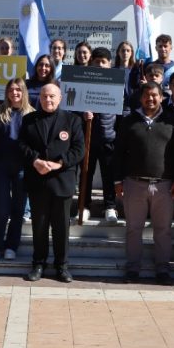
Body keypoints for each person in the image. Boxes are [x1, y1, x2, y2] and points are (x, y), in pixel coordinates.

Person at [114, 81, 174, 284]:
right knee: (134, 229)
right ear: (140, 97)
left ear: (162, 97)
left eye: (154, 95)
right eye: (146, 95)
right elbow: (118, 153)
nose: (150, 99)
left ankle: (162, 270)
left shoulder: (172, 121)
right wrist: (118, 180)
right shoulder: (129, 121)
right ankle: (133, 268)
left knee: (163, 230)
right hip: (134, 184)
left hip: (164, 185)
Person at [20, 84, 85, 283]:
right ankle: (38, 264)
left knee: (61, 228)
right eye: (44, 96)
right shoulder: (29, 120)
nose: (48, 100)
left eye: (52, 96)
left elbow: (79, 149)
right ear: (39, 98)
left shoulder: (72, 120)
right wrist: (35, 161)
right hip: (37, 181)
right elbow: (22, 145)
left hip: (62, 181)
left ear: (60, 98)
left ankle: (61, 266)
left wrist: (60, 164)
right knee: (39, 226)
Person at [0, 78, 33, 261]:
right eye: (11, 90)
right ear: (6, 92)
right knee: (1, 208)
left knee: (18, 210)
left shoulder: (31, 114)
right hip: (1, 168)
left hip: (22, 169)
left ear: (23, 92)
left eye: (18, 90)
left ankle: (11, 246)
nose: (15, 93)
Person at [78, 47, 117, 224]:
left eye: (103, 62)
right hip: (88, 137)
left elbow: (124, 109)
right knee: (86, 172)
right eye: (97, 62)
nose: (100, 65)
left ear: (110, 64)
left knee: (109, 174)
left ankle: (110, 206)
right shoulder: (83, 81)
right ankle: (84, 206)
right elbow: (72, 106)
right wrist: (82, 114)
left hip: (109, 137)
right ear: (91, 63)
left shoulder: (116, 83)